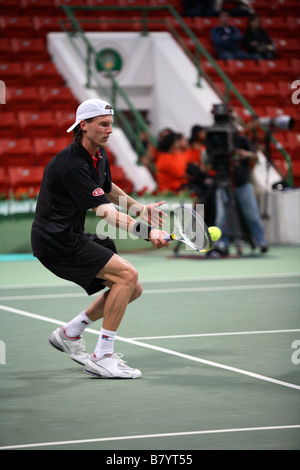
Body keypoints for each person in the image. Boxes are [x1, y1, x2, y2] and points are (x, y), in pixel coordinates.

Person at [31, 98, 170, 380]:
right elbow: (106, 211)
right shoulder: (70, 165)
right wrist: (147, 232)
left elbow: (108, 188)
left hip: (71, 235)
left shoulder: (98, 154)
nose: (109, 130)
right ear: (84, 126)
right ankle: (102, 357)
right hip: (55, 242)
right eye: (103, 125)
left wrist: (139, 209)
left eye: (111, 124)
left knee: (133, 287)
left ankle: (69, 333)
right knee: (127, 275)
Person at [213, 129, 269, 254]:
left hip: (243, 183)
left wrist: (246, 154)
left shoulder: (242, 140)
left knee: (252, 214)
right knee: (222, 217)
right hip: (223, 183)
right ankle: (222, 243)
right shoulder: (216, 140)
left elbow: (256, 157)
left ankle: (261, 241)